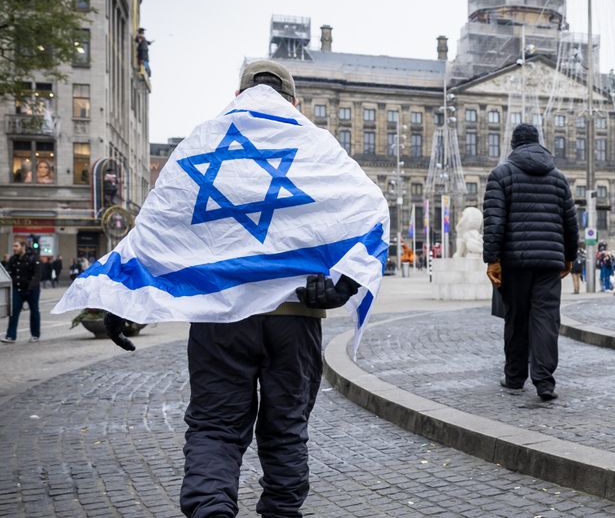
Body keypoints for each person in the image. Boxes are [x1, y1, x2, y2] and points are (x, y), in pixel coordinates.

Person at [99, 60, 369, 518]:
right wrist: (342, 285)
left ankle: (211, 510)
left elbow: (161, 222)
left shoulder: (205, 140)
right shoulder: (316, 146)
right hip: (295, 318)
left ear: (239, 93)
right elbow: (364, 212)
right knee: (285, 429)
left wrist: (122, 295)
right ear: (295, 101)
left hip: (221, 317)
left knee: (215, 427)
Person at [484, 123, 577, 402]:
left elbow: (494, 222)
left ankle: (514, 378)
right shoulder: (558, 178)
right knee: (546, 320)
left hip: (515, 262)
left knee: (517, 318)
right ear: (539, 143)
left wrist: (492, 260)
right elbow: (570, 223)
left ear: (513, 145)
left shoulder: (500, 174)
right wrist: (569, 257)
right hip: (549, 262)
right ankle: (544, 382)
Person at [3, 239, 42, 343]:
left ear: (23, 246)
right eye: (13, 246)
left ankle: (35, 335)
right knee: (13, 311)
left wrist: (30, 288)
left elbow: (37, 275)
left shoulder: (33, 257)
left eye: (16, 246)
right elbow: (8, 272)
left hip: (31, 289)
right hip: (17, 289)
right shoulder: (13, 259)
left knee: (34, 311)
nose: (14, 248)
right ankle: (10, 336)